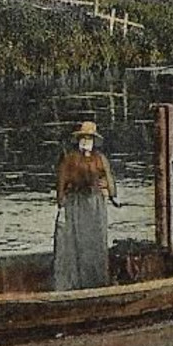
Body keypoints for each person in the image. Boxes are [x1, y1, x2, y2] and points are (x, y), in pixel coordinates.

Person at [53, 120, 118, 291]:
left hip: (95, 203)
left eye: (89, 138)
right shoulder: (70, 159)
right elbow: (61, 181)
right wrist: (61, 201)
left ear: (94, 141)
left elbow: (108, 178)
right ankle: (73, 283)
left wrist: (111, 193)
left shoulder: (100, 159)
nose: (86, 141)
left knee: (95, 240)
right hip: (76, 203)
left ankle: (96, 281)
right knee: (74, 241)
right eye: (83, 138)